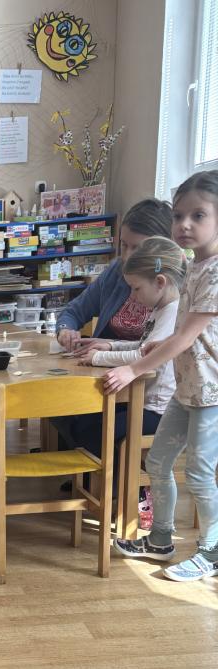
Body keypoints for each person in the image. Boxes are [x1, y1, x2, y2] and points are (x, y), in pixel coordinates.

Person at [106, 171, 218, 582]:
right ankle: (160, 539)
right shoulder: (194, 267)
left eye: (198, 215)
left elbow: (187, 336)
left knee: (199, 475)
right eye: (178, 215)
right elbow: (184, 334)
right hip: (186, 390)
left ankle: (212, 551)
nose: (184, 225)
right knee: (157, 462)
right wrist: (155, 346)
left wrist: (134, 367)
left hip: (210, 394)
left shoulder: (215, 272)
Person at [68, 236, 186, 525]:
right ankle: (111, 488)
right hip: (145, 402)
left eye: (136, 288)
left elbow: (145, 357)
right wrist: (108, 344)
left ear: (160, 283)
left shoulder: (173, 312)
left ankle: (131, 493)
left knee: (96, 430)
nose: (132, 297)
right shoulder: (160, 308)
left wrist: (99, 357)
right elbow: (144, 347)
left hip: (158, 410)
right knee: (85, 421)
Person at [57, 198, 173, 350]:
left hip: (140, 363)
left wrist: (111, 346)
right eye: (124, 245)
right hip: (100, 360)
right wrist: (65, 330)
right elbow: (73, 312)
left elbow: (157, 349)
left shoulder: (178, 289)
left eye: (138, 248)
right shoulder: (115, 271)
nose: (127, 256)